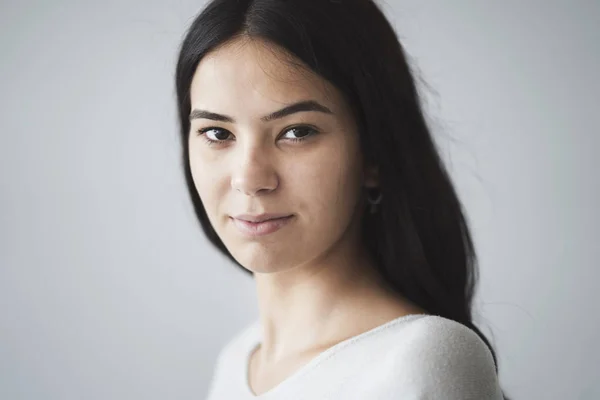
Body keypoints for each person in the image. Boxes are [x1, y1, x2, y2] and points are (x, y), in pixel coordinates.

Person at [175, 0, 510, 399]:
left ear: (373, 154)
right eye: (217, 133)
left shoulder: (421, 359)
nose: (249, 179)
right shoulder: (236, 362)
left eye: (297, 132)